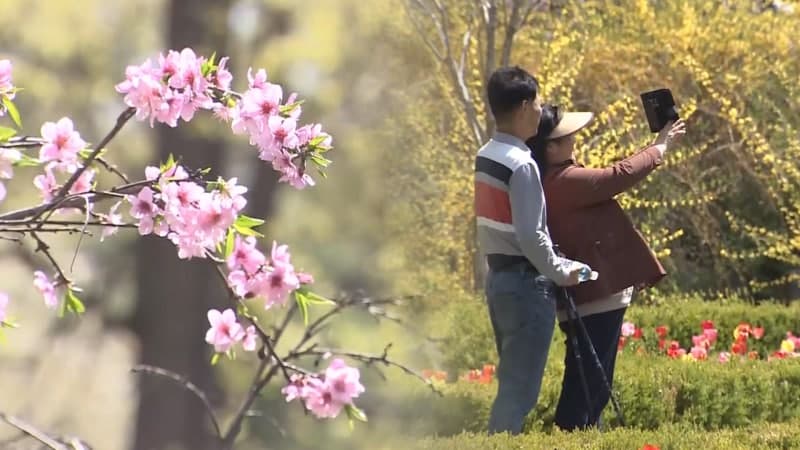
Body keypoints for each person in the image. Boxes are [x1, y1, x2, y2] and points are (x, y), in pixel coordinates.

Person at [525, 104, 686, 431]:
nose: (574, 138)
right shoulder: (562, 180)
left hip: (589, 298)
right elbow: (616, 176)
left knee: (590, 384)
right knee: (588, 391)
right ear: (549, 148)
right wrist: (659, 146)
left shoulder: (551, 177)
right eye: (565, 136)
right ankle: (572, 438)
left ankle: (581, 437)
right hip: (594, 299)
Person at [474, 67, 589, 435]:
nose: (541, 110)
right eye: (538, 101)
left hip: (499, 281)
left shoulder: (487, 154)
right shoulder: (522, 165)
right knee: (520, 393)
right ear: (524, 106)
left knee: (511, 384)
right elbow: (531, 236)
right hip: (526, 285)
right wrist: (561, 271)